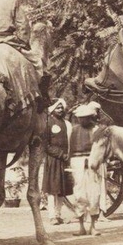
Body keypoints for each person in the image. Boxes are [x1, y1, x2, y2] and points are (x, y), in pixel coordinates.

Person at [67, 102, 102, 236]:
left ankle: (93, 226)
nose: (83, 120)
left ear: (90, 117)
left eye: (85, 117)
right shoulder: (73, 129)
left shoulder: (96, 129)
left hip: (93, 160)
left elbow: (101, 148)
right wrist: (68, 162)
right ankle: (81, 226)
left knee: (94, 193)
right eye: (80, 117)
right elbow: (69, 148)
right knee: (79, 193)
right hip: (77, 162)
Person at [42, 99, 74, 224]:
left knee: (62, 189)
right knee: (52, 189)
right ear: (53, 109)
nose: (60, 110)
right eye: (58, 108)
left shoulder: (67, 123)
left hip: (65, 160)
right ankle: (51, 216)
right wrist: (60, 155)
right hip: (53, 160)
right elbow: (46, 145)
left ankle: (58, 214)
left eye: (61, 108)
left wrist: (67, 156)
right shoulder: (48, 123)